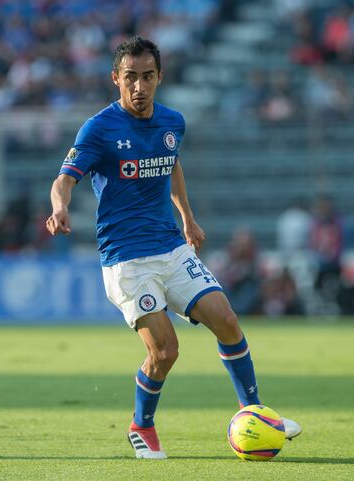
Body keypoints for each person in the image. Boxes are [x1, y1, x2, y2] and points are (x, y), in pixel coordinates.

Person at [46, 36, 301, 459]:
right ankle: (141, 425)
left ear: (160, 77)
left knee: (228, 320)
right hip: (126, 260)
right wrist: (59, 208)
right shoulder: (98, 128)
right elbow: (64, 179)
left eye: (148, 77)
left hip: (171, 249)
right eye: (131, 78)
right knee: (165, 351)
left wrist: (188, 218)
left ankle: (255, 411)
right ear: (116, 79)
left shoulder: (172, 123)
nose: (140, 87)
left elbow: (172, 165)